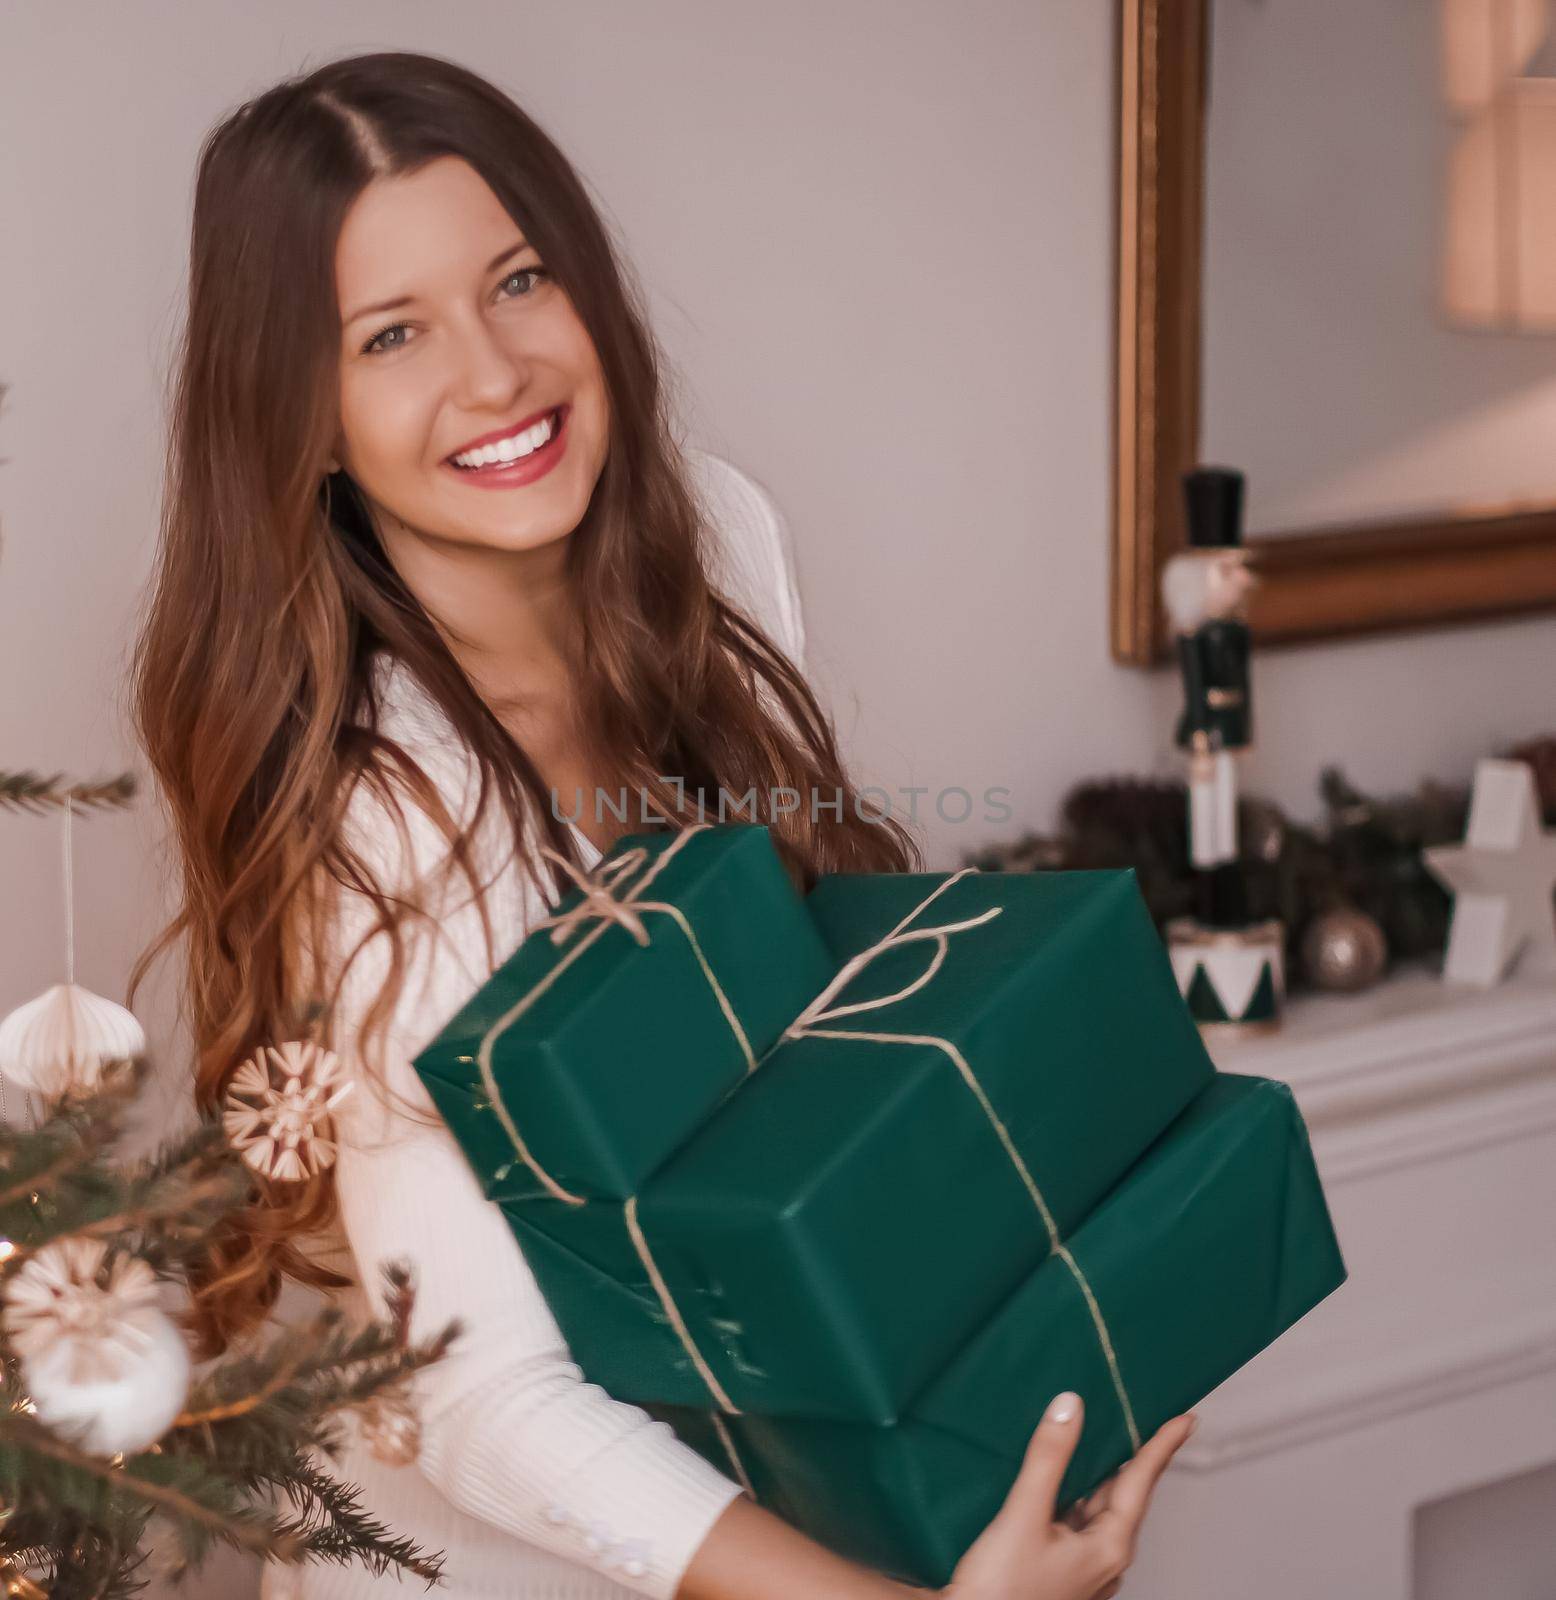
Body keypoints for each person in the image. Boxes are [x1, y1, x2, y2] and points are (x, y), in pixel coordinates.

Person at [128, 50, 1193, 1600]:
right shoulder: (389, 817)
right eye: (393, 335)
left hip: (778, 1491)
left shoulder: (723, 542)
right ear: (302, 413)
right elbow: (477, 1402)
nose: (494, 375)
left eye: (518, 280)